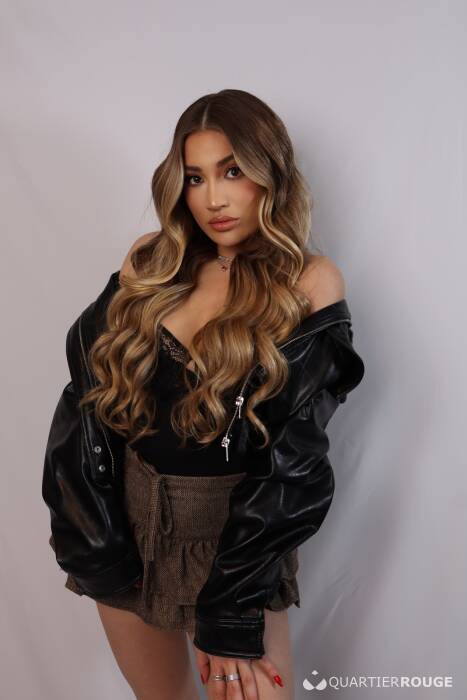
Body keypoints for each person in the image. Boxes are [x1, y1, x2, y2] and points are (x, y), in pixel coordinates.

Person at [42, 88, 365, 700]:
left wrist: (232, 608)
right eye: (195, 177)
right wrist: (92, 542)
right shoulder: (151, 263)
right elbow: (85, 405)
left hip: (235, 545)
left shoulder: (308, 282)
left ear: (271, 173)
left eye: (233, 171)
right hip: (127, 530)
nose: (213, 198)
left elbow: (293, 465)